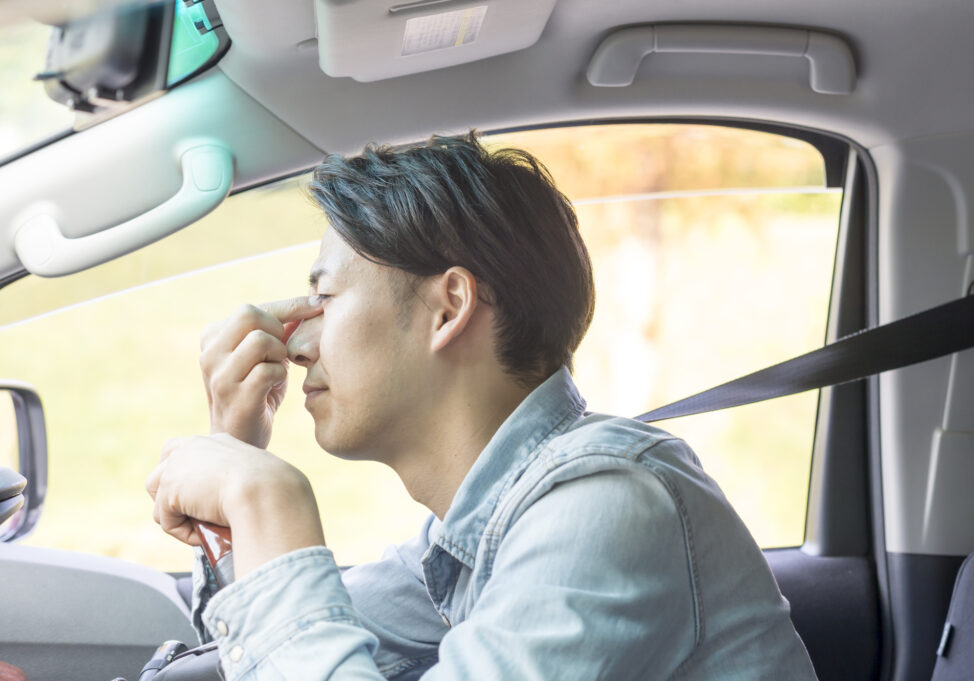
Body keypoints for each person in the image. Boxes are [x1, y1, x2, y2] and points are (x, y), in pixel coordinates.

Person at [146, 132, 818, 680]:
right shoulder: (465, 539)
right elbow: (283, 643)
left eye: (324, 298)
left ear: (449, 307)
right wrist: (233, 470)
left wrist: (268, 499)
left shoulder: (610, 508)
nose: (298, 342)